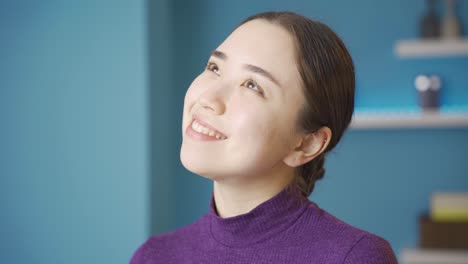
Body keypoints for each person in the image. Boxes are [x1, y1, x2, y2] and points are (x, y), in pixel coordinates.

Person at [131, 11, 398, 264]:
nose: (208, 99)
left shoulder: (355, 257)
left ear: (307, 143)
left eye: (252, 85)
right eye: (214, 67)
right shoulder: (154, 256)